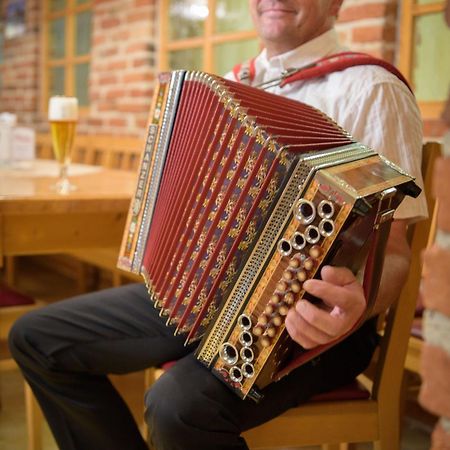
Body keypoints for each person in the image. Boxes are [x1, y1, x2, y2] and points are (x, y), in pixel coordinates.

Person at [9, 1, 427, 449]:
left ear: (335, 3)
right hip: (205, 295)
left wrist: (354, 308)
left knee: (177, 407)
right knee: (36, 338)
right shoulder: (232, 83)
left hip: (313, 326)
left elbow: (397, 251)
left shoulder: (371, 88)